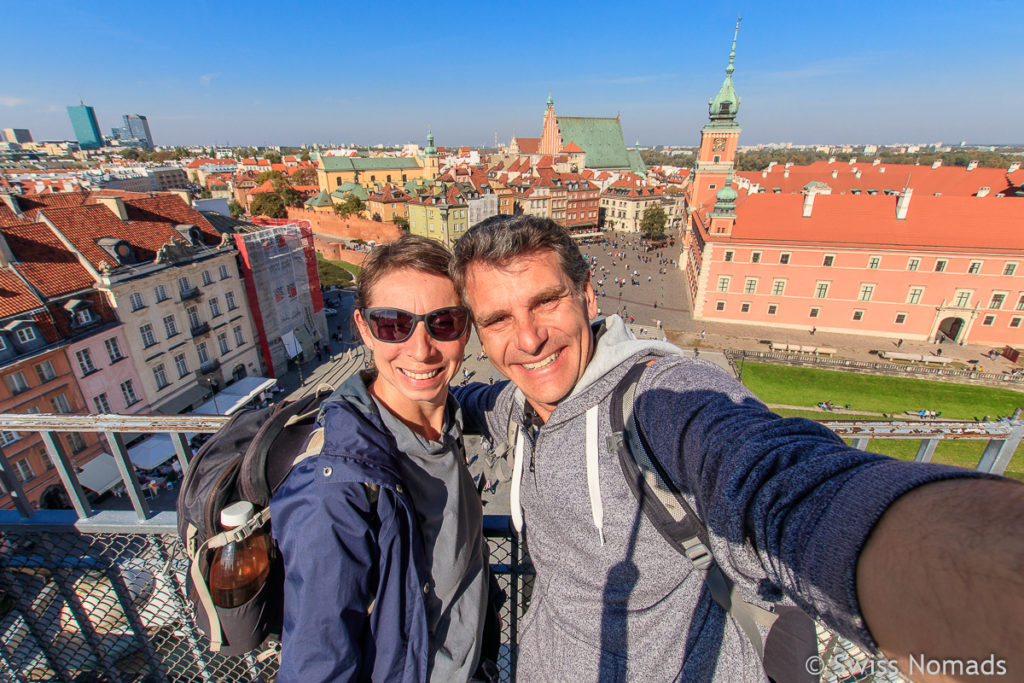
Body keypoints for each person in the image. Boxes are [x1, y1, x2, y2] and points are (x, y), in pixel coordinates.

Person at [450, 215, 1024, 681]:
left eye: (546, 302)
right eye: (499, 319)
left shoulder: (657, 399)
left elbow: (772, 478)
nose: (527, 338)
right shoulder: (517, 408)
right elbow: (473, 402)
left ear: (589, 298)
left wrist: (973, 576)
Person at [271, 235, 488, 682]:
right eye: (394, 324)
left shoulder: (442, 417)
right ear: (364, 327)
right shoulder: (334, 488)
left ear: (467, 327)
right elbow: (317, 667)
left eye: (443, 322)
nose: (422, 349)